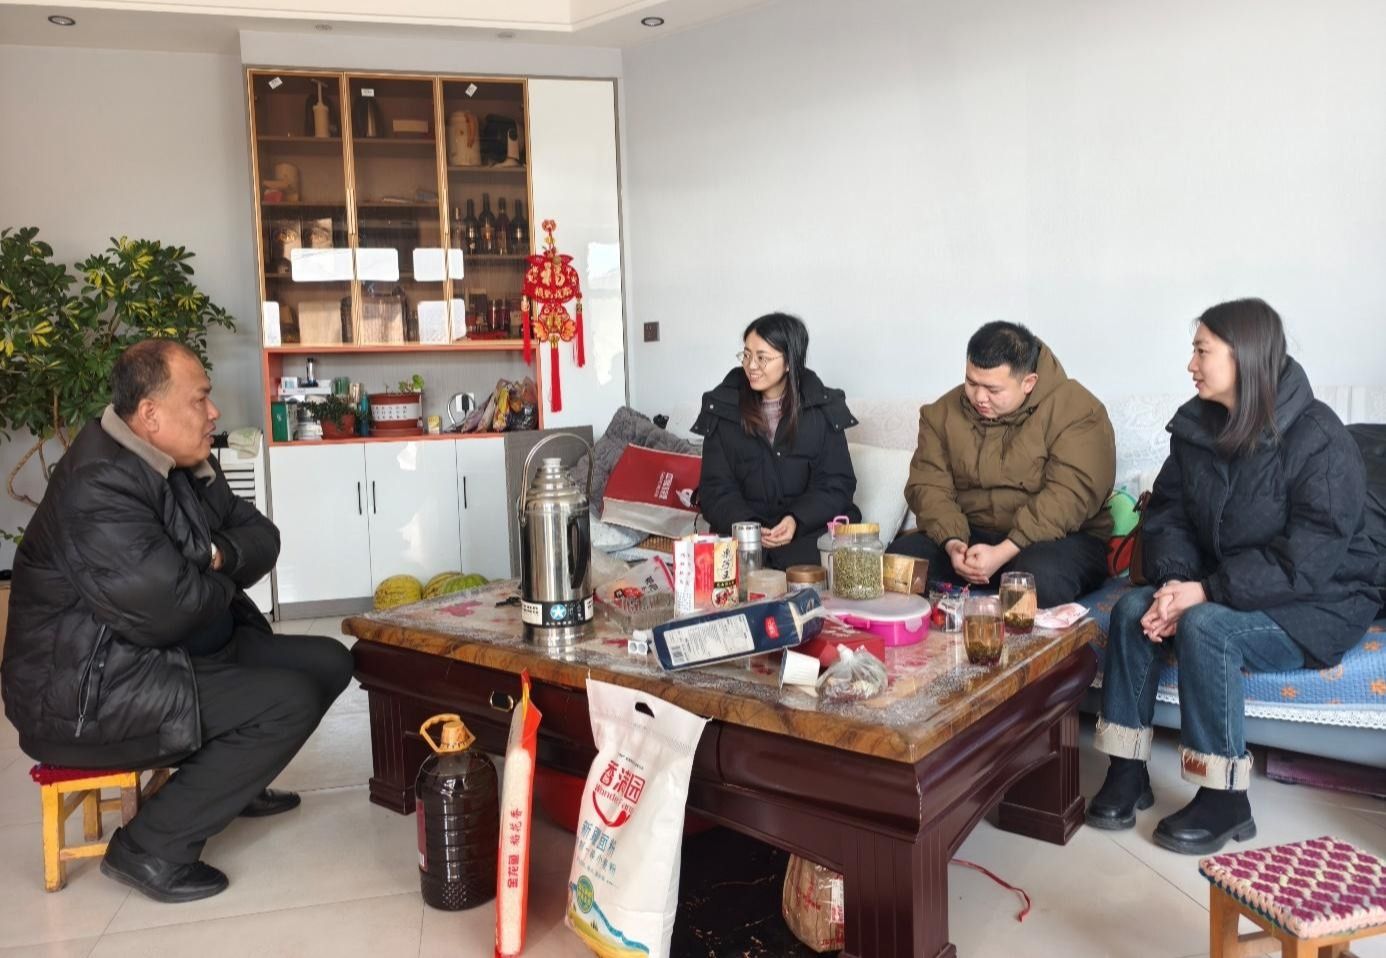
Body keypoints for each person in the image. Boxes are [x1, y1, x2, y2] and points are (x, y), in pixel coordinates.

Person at [1, 339, 354, 902]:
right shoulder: (99, 484)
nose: (214, 412)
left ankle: (232, 784)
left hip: (167, 652)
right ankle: (149, 848)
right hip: (89, 692)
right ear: (150, 414)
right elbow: (172, 609)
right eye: (200, 399)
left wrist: (211, 557)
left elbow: (263, 538)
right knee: (288, 701)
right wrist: (219, 570)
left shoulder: (183, 462)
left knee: (330, 661)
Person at [1087, 299, 1380, 854]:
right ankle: (1126, 770)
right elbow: (1168, 514)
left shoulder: (1318, 439)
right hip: (1225, 582)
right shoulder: (1196, 426)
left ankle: (1225, 799)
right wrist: (1174, 586)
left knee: (1207, 628)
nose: (1190, 365)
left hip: (1319, 601)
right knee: (1130, 611)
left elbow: (1306, 561)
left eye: (1202, 351)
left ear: (1243, 357)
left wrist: (1204, 594)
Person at [892, 321, 1116, 605]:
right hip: (970, 536)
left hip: (1056, 540)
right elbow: (928, 485)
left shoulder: (1079, 411)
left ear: (1028, 383)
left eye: (993, 390)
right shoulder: (941, 414)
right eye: (971, 383)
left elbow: (1069, 496)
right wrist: (953, 543)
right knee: (899, 565)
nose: (979, 397)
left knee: (1039, 578)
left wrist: (1003, 552)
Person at [692, 312, 860, 569]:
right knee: (723, 554)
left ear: (790, 362)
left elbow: (836, 483)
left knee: (845, 537)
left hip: (805, 532)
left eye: (762, 358)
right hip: (744, 533)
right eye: (746, 355)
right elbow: (715, 488)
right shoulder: (723, 408)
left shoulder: (822, 409)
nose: (751, 366)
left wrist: (796, 519)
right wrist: (750, 527)